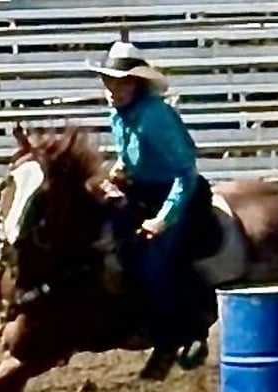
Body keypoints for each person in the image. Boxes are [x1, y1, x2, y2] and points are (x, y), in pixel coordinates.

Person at [86, 39, 214, 363]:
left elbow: (185, 171)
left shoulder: (155, 116)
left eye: (122, 82)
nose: (113, 89)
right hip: (142, 191)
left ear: (137, 84)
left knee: (155, 258)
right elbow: (132, 155)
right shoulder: (119, 113)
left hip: (176, 194)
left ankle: (184, 332)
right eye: (108, 81)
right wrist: (119, 171)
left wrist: (163, 219)